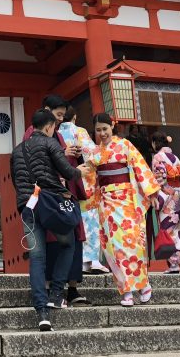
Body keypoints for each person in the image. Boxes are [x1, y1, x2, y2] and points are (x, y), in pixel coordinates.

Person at [11, 107, 89, 331]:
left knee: (36, 256)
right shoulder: (50, 142)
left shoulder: (16, 150)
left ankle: (41, 310)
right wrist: (79, 171)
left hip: (27, 205)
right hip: (50, 202)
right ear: (48, 126)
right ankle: (56, 293)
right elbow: (66, 170)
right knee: (68, 243)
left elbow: (17, 181)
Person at [86, 113, 164, 307]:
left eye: (105, 128)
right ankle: (126, 290)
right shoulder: (94, 153)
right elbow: (88, 178)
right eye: (98, 130)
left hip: (127, 201)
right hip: (106, 203)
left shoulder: (125, 146)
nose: (102, 133)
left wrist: (152, 194)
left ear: (112, 126)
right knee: (113, 247)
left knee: (132, 243)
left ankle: (144, 285)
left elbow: (140, 168)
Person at [40, 96, 91, 306]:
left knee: (74, 240)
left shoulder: (59, 134)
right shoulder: (35, 134)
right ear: (46, 111)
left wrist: (73, 155)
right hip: (52, 196)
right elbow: (38, 160)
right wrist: (63, 153)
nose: (61, 120)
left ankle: (72, 288)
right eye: (58, 115)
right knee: (58, 241)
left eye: (62, 115)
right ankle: (54, 289)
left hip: (67, 194)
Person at [57, 105, 107, 277]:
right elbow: (91, 152)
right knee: (90, 221)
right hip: (84, 182)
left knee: (76, 222)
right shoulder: (79, 131)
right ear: (75, 117)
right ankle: (92, 259)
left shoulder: (57, 133)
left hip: (66, 184)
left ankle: (81, 261)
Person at [149, 131, 180, 273]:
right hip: (179, 195)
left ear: (154, 143)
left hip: (167, 198)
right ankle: (174, 264)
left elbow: (159, 179)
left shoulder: (158, 157)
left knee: (167, 231)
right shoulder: (176, 158)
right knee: (175, 229)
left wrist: (156, 196)